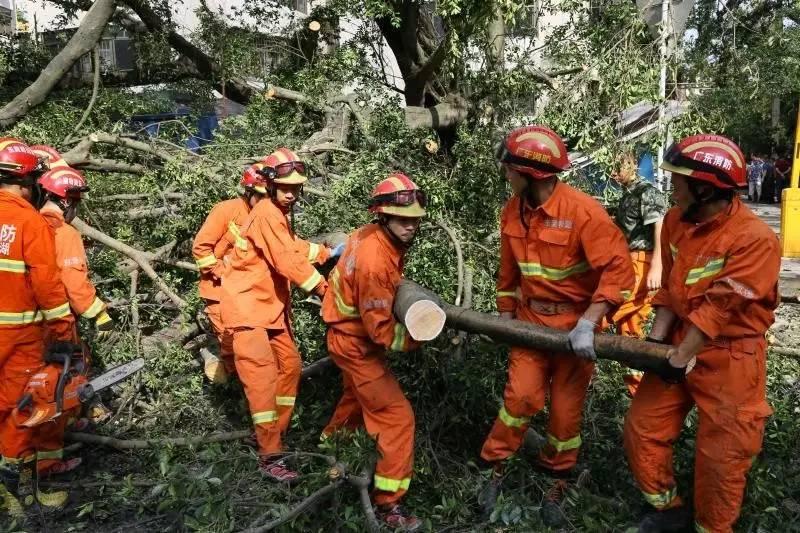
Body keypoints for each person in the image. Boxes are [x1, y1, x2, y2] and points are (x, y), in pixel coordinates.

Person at [624, 134, 780, 533]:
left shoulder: (754, 239)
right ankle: (668, 510)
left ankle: (712, 527)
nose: (670, 187)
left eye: (677, 180)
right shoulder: (676, 221)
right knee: (643, 429)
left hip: (731, 358)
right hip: (678, 341)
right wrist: (656, 345)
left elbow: (720, 309)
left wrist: (679, 357)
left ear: (705, 188)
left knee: (721, 458)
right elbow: (674, 290)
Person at [479, 126, 635, 524]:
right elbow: (508, 273)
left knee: (565, 416)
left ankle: (556, 481)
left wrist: (589, 323)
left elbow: (618, 270)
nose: (505, 174)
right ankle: (493, 468)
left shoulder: (583, 213)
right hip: (530, 323)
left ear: (530, 173)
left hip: (574, 330)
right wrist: (504, 316)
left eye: (509, 169)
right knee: (521, 400)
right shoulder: (511, 211)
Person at [321, 172, 427, 532]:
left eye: (415, 219)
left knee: (355, 400)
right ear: (383, 215)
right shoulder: (375, 259)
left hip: (344, 337)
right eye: (403, 219)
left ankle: (329, 452)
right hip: (356, 345)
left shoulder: (367, 234)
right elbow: (381, 331)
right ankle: (389, 503)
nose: (410, 226)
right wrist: (418, 339)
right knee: (397, 417)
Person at [220, 148, 332, 483]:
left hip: (269, 309)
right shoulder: (268, 212)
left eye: (296, 187)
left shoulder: (277, 216)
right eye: (285, 186)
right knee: (262, 381)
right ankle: (270, 456)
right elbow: (287, 261)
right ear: (269, 185)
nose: (291, 192)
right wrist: (325, 288)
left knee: (291, 366)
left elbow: (292, 247)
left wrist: (326, 252)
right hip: (247, 309)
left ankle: (273, 433)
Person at [0, 137, 73, 516]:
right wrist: (63, 335)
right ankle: (20, 498)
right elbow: (49, 287)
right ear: (29, 182)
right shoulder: (29, 221)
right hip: (18, 338)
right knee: (22, 411)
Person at [35, 156, 114, 477]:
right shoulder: (63, 232)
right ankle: (48, 461)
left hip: (27, 320)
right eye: (76, 202)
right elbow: (74, 283)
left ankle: (67, 421)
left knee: (36, 384)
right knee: (60, 380)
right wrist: (99, 314)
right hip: (55, 323)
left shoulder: (29, 223)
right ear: (66, 201)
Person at [191, 162, 266, 383]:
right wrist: (224, 273)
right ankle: (235, 389)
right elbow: (201, 248)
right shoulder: (226, 210)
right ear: (249, 191)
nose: (265, 202)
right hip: (218, 291)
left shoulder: (265, 217)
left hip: (249, 294)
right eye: (260, 197)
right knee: (230, 342)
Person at [609, 152, 668, 396]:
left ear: (631, 167)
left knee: (611, 307)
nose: (613, 175)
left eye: (617, 169)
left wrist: (657, 265)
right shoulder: (627, 194)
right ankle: (637, 390)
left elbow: (659, 226)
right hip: (627, 258)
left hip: (642, 261)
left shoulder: (648, 192)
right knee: (630, 326)